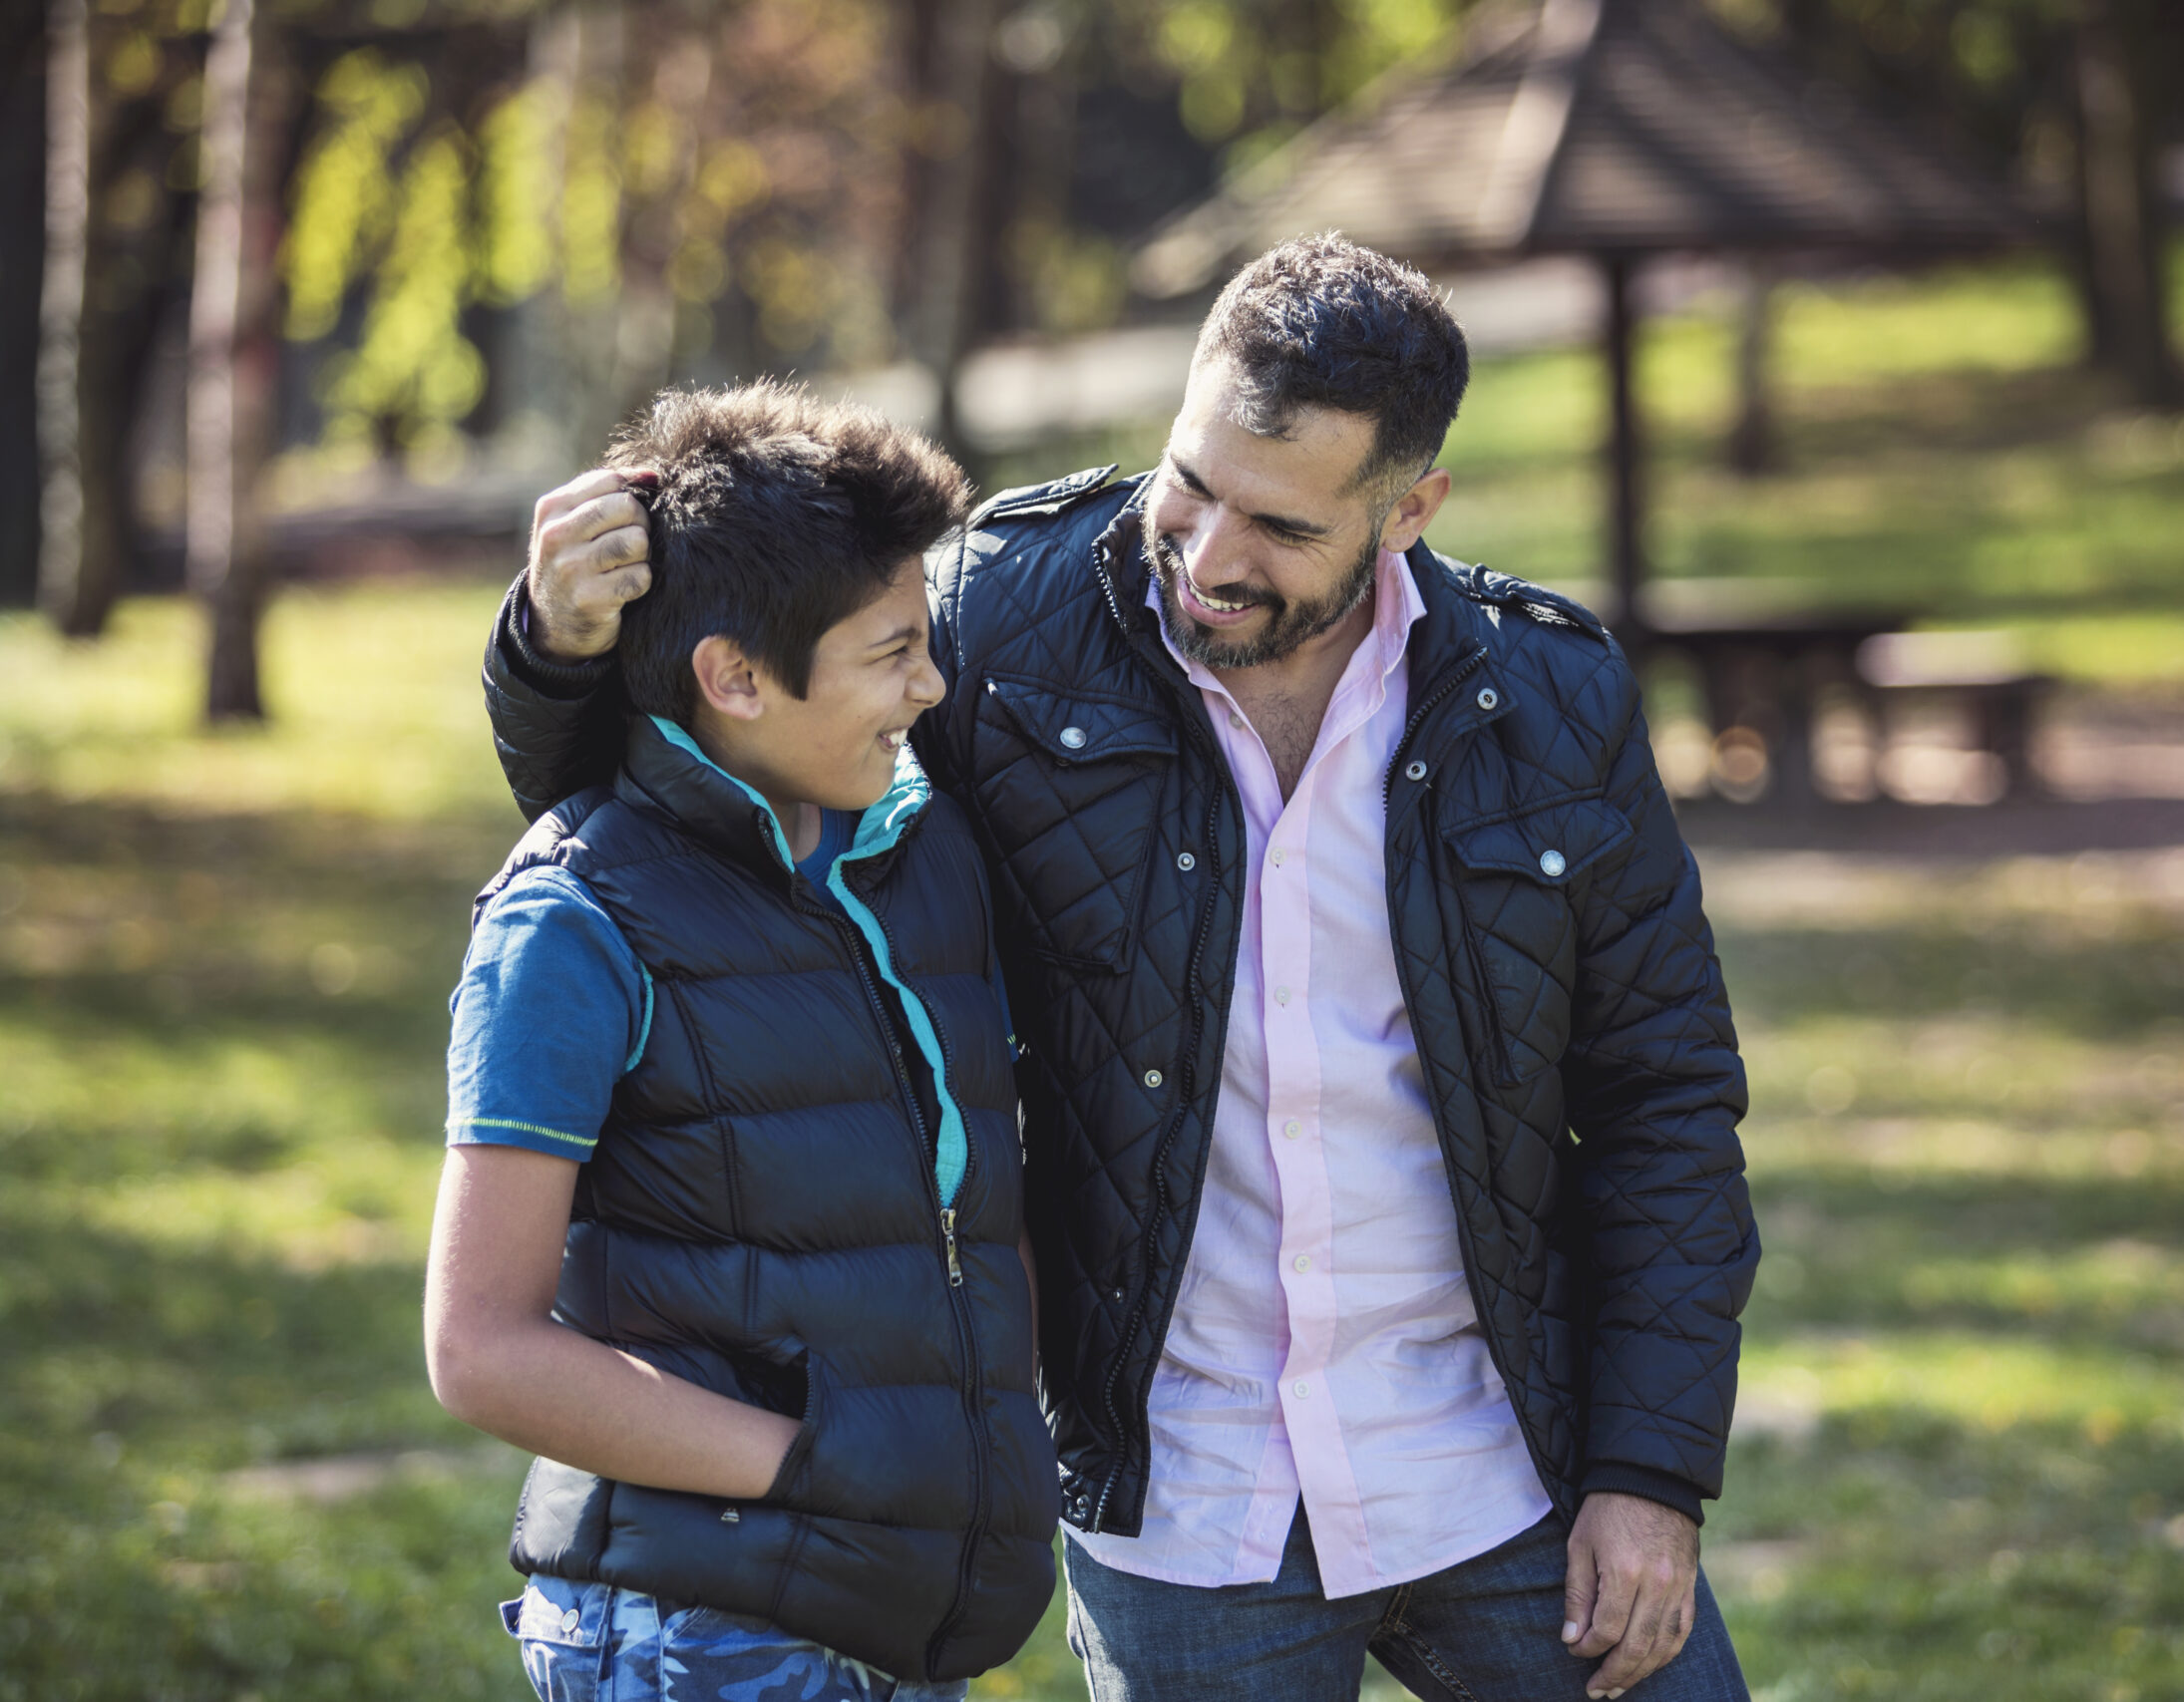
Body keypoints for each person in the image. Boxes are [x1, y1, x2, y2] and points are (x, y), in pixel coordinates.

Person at [484, 236, 1758, 1702]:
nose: (1211, 556)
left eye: (1279, 526)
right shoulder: (994, 623)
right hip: (1184, 1507)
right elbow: (684, 800)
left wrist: (1650, 1473)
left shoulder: (1554, 697)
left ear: (1410, 510)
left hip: (1509, 1471)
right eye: (1192, 482)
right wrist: (552, 650)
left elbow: (1663, 1100)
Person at [425, 380, 1055, 1702]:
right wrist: (815, 1466)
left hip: (887, 1624)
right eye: (891, 655)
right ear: (734, 678)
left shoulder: (909, 850)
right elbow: (479, 1348)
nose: (930, 688)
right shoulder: (570, 928)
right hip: (701, 1641)